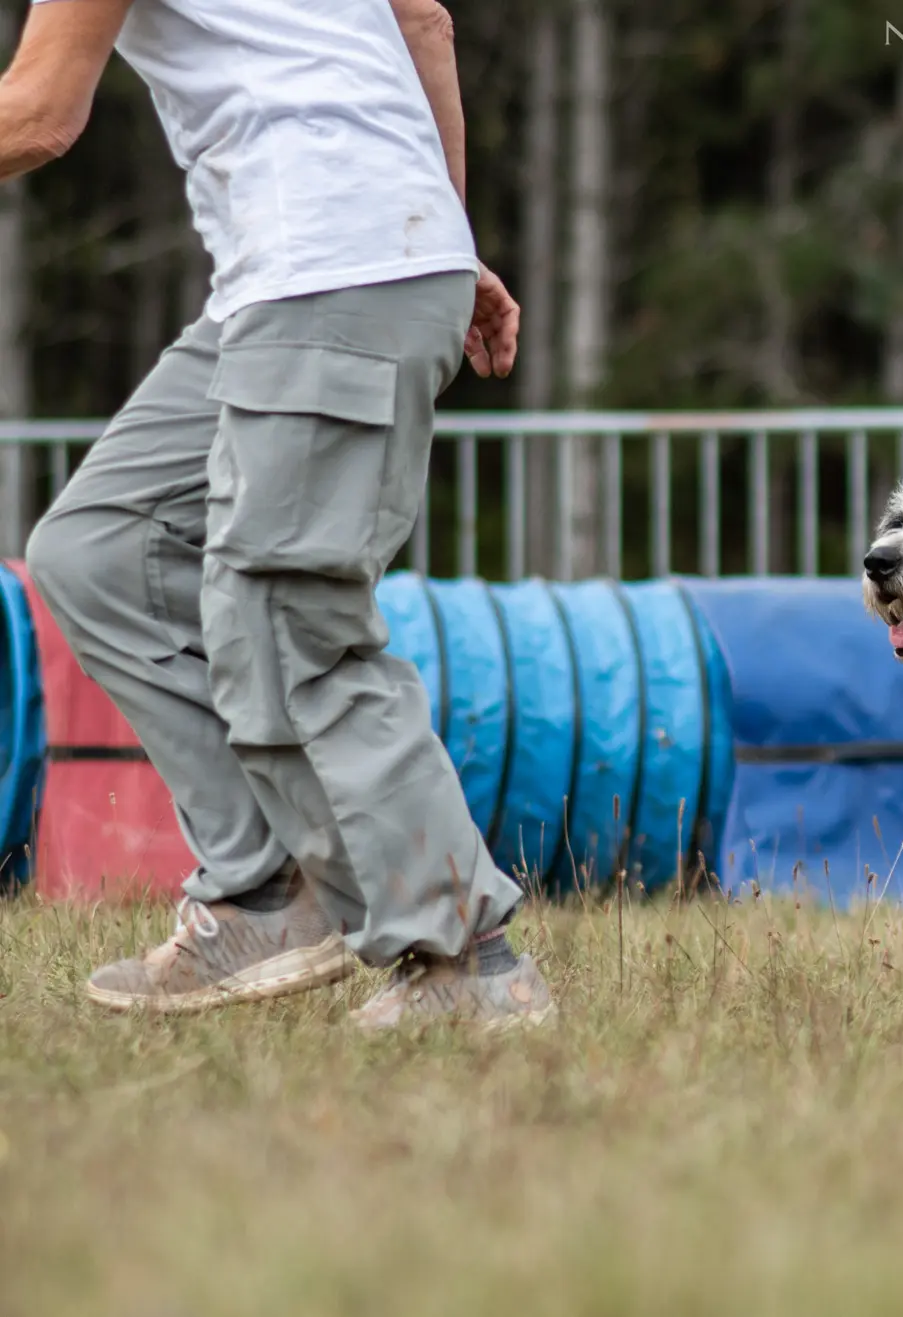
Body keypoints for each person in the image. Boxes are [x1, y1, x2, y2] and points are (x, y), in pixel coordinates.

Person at [11, 0, 554, 1028]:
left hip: (329, 271)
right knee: (101, 549)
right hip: (326, 271)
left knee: (289, 618)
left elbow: (39, 110)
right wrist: (439, 235)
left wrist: (424, 245)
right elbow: (423, 22)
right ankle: (267, 886)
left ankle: (466, 966)